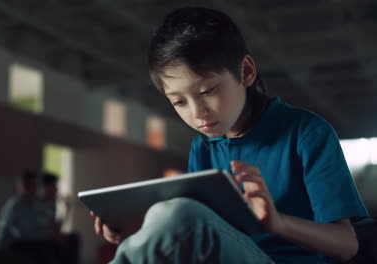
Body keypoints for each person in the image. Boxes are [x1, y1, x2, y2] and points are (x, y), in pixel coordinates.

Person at [90, 6, 369, 264]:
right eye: (179, 102)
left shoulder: (307, 133)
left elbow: (347, 245)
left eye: (208, 91)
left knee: (177, 212)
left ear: (246, 72)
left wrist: (277, 223)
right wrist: (137, 232)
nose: (197, 113)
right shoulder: (203, 148)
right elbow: (203, 230)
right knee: (168, 215)